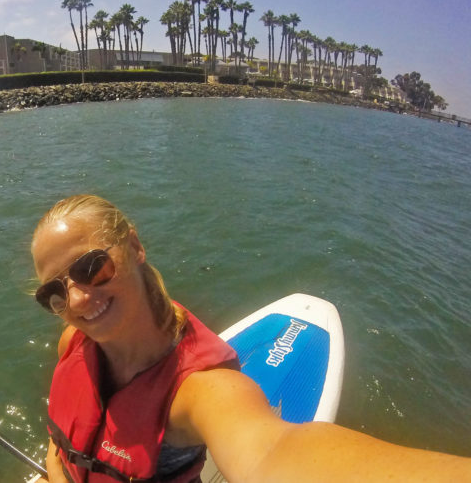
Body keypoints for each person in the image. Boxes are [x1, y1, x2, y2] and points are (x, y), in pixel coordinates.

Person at [30, 194, 470, 483]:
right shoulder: (73, 341)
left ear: (135, 247)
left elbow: (274, 452)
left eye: (91, 268)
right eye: (54, 291)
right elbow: (60, 443)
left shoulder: (200, 391)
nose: (78, 297)